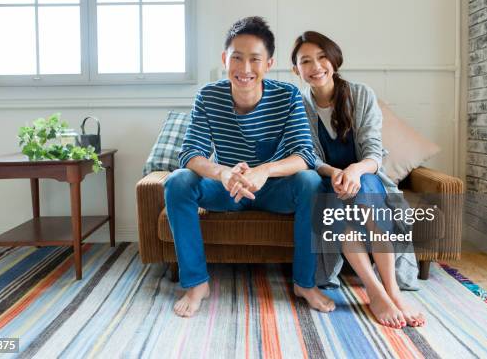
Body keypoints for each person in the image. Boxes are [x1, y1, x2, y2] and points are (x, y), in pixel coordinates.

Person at [164, 17, 336, 317]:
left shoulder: (287, 96)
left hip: (274, 190)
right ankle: (196, 284)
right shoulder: (208, 96)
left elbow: (305, 155)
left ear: (269, 63)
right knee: (178, 181)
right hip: (226, 188)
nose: (245, 69)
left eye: (254, 59)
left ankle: (305, 284)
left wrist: (264, 170)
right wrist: (223, 172)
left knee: (310, 182)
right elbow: (190, 153)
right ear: (224, 59)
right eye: (237, 58)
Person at [291, 31, 425, 328]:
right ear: (296, 70)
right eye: (306, 61)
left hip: (366, 175)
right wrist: (336, 174)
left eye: (322, 57)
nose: (316, 66)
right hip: (328, 182)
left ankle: (392, 291)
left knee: (364, 192)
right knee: (342, 208)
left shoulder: (360, 94)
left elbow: (374, 154)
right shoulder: (298, 105)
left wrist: (353, 170)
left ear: (334, 59)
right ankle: (375, 292)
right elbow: (310, 157)